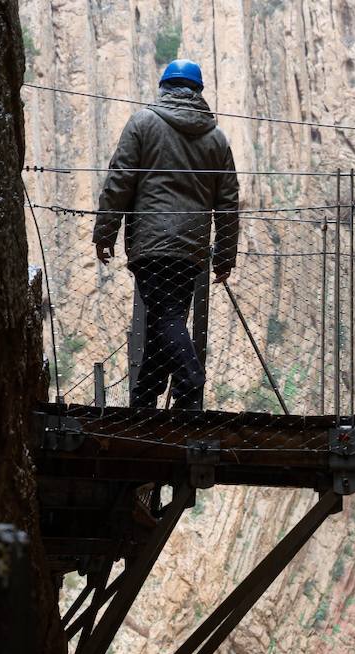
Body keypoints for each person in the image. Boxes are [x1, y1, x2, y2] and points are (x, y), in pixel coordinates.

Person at [93, 60, 239, 410]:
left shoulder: (143, 123)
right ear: (198, 92)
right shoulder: (216, 138)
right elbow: (229, 203)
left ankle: (191, 381)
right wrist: (224, 256)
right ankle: (145, 398)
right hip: (191, 248)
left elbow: (119, 182)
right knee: (167, 317)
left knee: (165, 317)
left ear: (164, 88)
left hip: (152, 243)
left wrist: (105, 232)